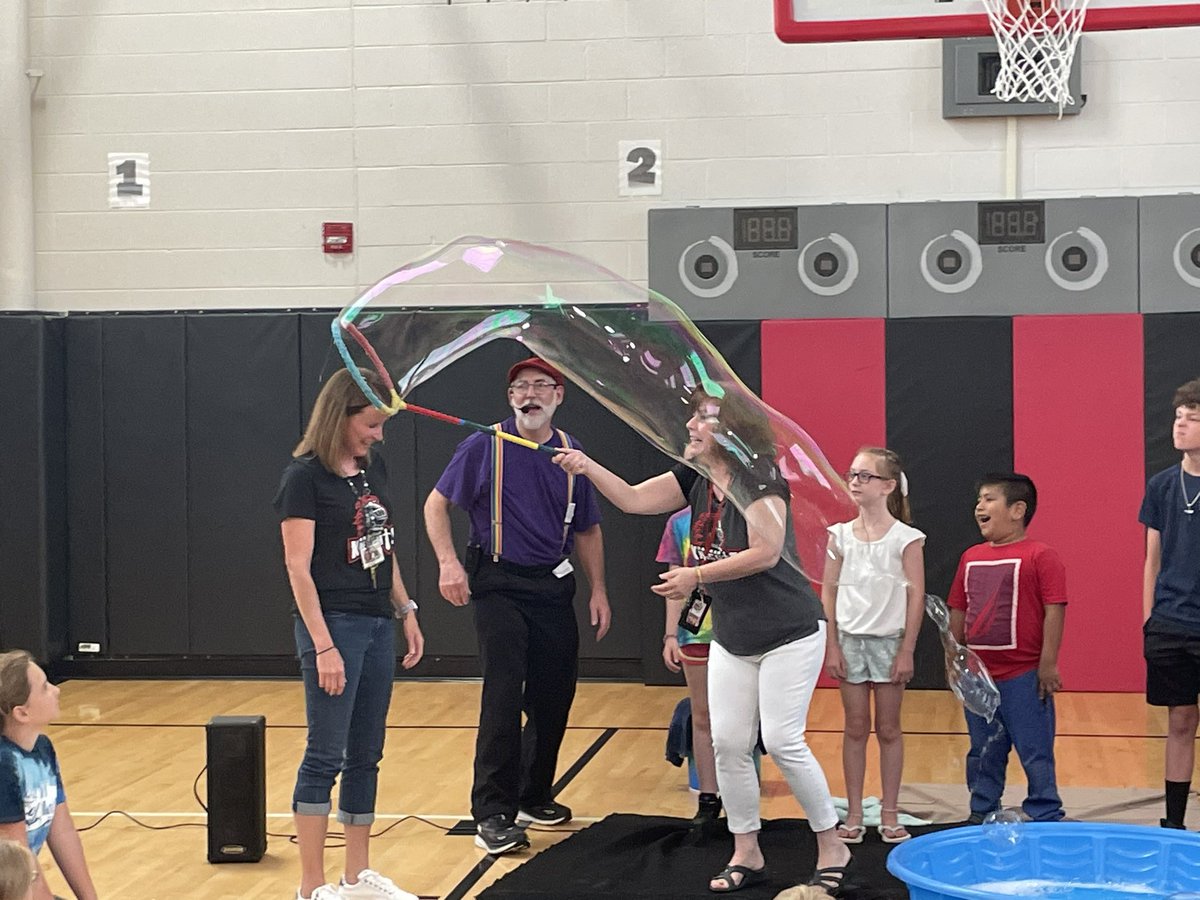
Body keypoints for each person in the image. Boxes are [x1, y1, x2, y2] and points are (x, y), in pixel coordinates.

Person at [555, 388, 853, 895]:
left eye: (702, 419)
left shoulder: (761, 481)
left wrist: (695, 576)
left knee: (781, 740)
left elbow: (765, 551)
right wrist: (585, 466)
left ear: (731, 434)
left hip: (790, 633)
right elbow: (632, 499)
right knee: (729, 744)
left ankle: (832, 844)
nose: (690, 426)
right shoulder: (693, 477)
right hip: (734, 638)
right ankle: (746, 849)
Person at [423, 357, 611, 856]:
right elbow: (435, 504)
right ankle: (492, 812)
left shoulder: (573, 455)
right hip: (498, 583)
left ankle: (533, 794)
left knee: (554, 696)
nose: (530, 395)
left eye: (540, 386)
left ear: (558, 395)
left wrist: (599, 589)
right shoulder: (485, 445)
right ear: (510, 399)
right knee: (503, 697)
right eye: (520, 387)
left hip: (553, 586)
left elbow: (588, 528)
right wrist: (448, 564)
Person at [274, 368, 425, 900]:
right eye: (371, 424)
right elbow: (298, 569)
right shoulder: (303, 478)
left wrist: (404, 607)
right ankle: (311, 886)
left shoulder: (371, 468)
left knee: (367, 752)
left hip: (377, 621)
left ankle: (357, 877)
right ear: (341, 416)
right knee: (325, 754)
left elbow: (383, 543)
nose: (378, 435)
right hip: (333, 623)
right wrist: (324, 645)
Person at [948, 473, 1067, 824]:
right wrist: (955, 658)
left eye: (989, 499)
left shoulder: (1040, 556)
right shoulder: (970, 557)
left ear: (1017, 510)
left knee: (1035, 749)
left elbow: (1054, 609)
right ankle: (982, 808)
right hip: (980, 679)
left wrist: (1047, 664)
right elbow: (958, 608)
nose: (979, 506)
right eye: (979, 500)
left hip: (1024, 676)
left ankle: (1045, 809)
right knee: (983, 749)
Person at [822, 447, 926, 844]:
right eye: (852, 474)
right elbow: (828, 593)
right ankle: (852, 812)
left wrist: (906, 649)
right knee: (854, 727)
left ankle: (889, 811)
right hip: (849, 640)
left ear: (887, 486)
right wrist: (833, 644)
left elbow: (916, 595)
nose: (855, 482)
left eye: (865, 476)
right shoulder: (840, 535)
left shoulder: (907, 538)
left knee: (888, 728)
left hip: (889, 641)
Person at [1141, 377, 1200, 830]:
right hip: (1170, 625)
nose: (1180, 426)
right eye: (1178, 418)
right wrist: (1149, 620)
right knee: (1179, 720)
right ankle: (1174, 823)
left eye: (1192, 418)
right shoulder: (1162, 485)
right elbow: (1152, 558)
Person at [0, 651, 97, 900]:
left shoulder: (42, 748)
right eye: (44, 688)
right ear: (22, 713)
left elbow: (62, 831)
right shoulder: (4, 764)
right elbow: (19, 859)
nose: (56, 690)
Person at [657, 508, 722, 825]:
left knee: (740, 717)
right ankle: (708, 799)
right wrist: (671, 634)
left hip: (741, 630)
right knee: (702, 713)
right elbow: (674, 582)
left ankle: (740, 796)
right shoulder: (680, 523)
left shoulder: (746, 512)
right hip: (696, 631)